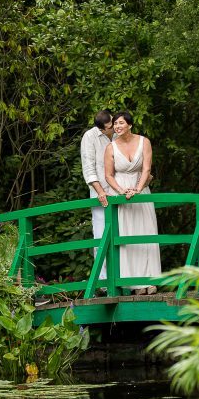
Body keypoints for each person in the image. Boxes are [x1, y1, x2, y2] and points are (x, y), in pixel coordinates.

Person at [103, 111, 161, 294]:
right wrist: (121, 192)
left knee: (147, 232)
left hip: (140, 190)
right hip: (121, 192)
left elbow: (146, 168)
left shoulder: (144, 142)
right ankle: (135, 284)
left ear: (130, 125)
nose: (117, 126)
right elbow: (108, 175)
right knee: (128, 236)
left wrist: (137, 189)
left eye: (121, 123)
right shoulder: (110, 147)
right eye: (115, 124)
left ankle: (151, 281)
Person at [80, 110, 114, 261]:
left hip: (120, 190)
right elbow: (89, 168)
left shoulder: (119, 132)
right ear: (101, 129)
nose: (114, 127)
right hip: (101, 193)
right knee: (101, 235)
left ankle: (126, 280)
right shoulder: (90, 137)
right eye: (109, 126)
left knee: (124, 235)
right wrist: (100, 192)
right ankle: (103, 280)